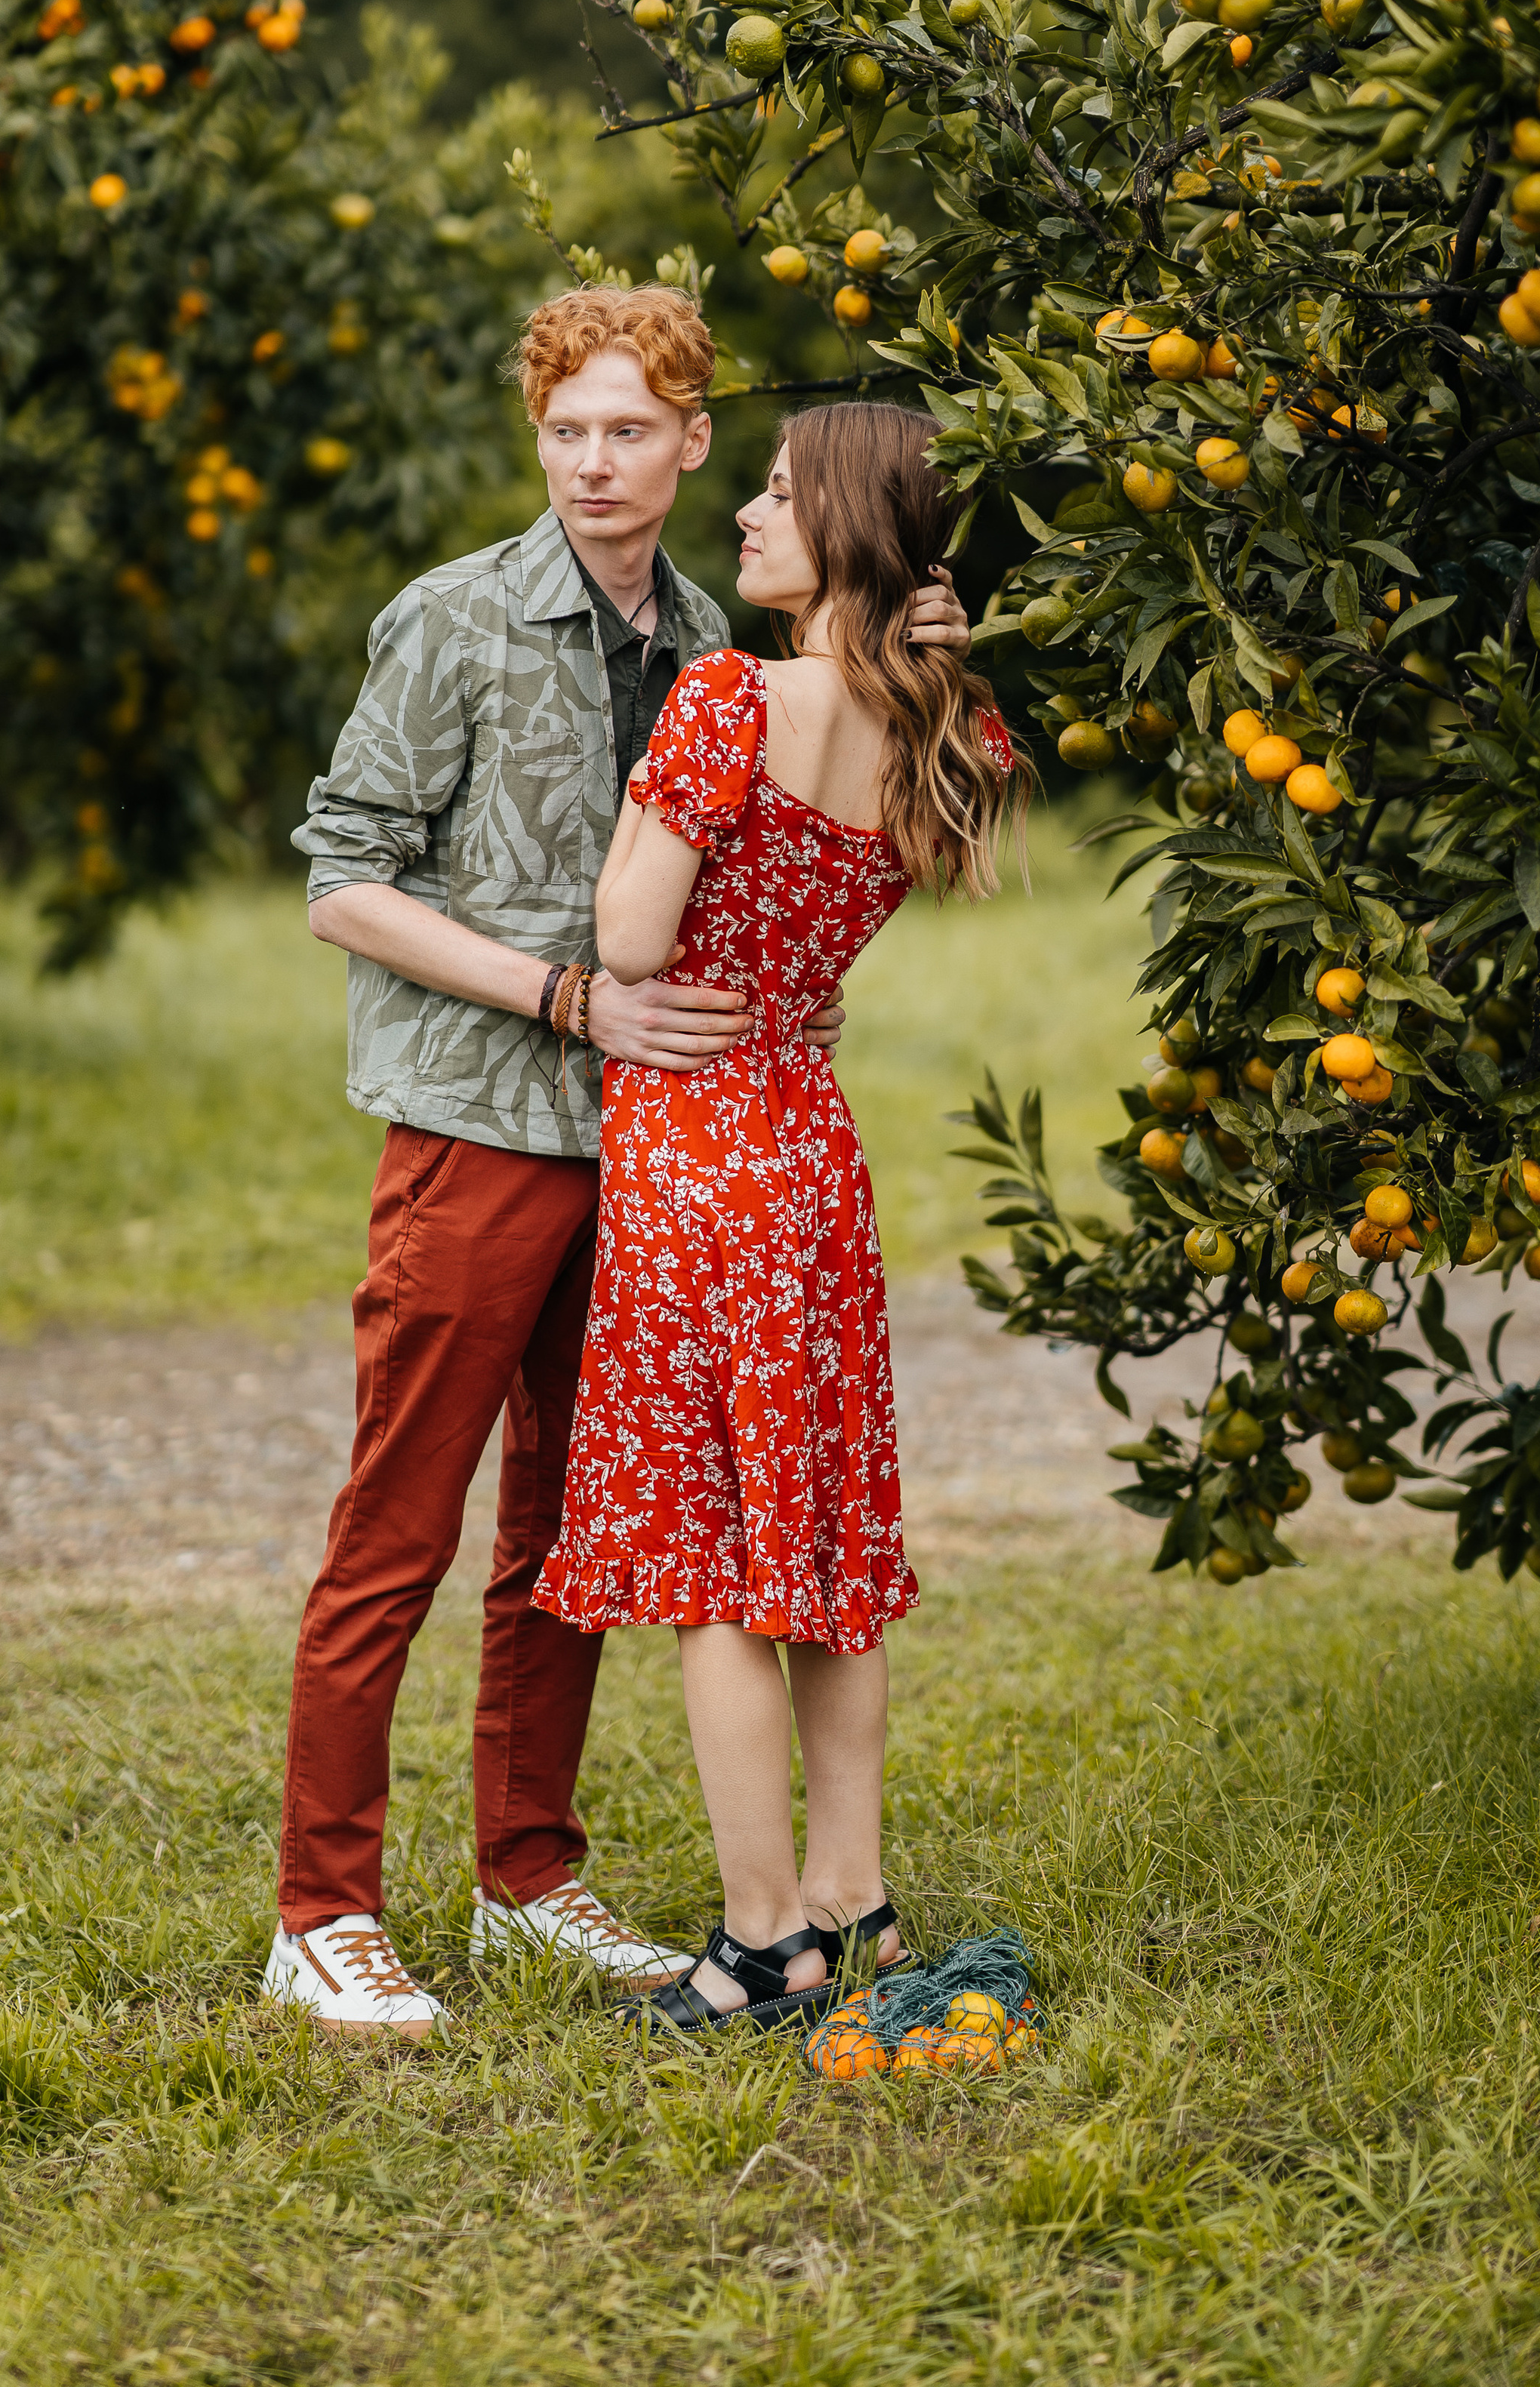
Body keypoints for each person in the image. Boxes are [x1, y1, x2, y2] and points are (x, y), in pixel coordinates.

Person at [261, 286, 972, 2040]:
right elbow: (340, 877)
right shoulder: (449, 620)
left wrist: (910, 624)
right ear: (537, 440)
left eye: (627, 430)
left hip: (664, 1162)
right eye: (564, 430)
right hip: (481, 1125)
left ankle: (526, 1874)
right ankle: (321, 1908)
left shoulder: (727, 635)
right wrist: (563, 996)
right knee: (397, 1528)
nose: (594, 462)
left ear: (692, 441)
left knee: (578, 1535)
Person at [533, 400, 1027, 2034]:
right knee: (817, 1544)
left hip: (693, 1162)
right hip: (810, 1157)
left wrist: (636, 852)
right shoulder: (937, 723)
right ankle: (853, 1894)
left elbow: (627, 936)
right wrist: (931, 638)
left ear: (850, 531)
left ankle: (759, 1943)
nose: (743, 512)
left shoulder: (725, 696)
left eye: (777, 492)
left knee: (711, 1573)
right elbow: (990, 752)